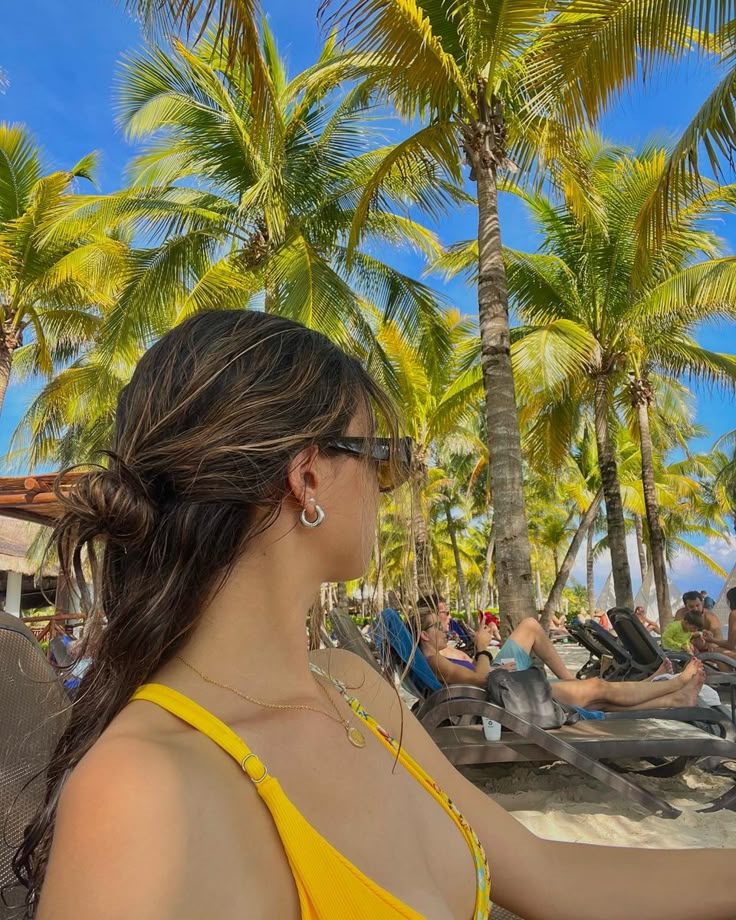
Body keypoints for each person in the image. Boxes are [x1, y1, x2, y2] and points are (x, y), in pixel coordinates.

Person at [19, 311, 733, 920]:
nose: (389, 491)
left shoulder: (350, 689)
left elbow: (547, 872)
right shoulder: (141, 794)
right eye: (382, 461)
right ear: (307, 477)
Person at [418, 608, 705, 713]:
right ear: (424, 636)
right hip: (500, 692)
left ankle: (671, 699)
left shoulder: (434, 657)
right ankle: (674, 686)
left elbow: (477, 676)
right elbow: (480, 679)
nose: (445, 628)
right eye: (437, 627)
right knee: (598, 691)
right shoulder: (435, 662)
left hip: (500, 681)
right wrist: (482, 649)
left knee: (530, 626)